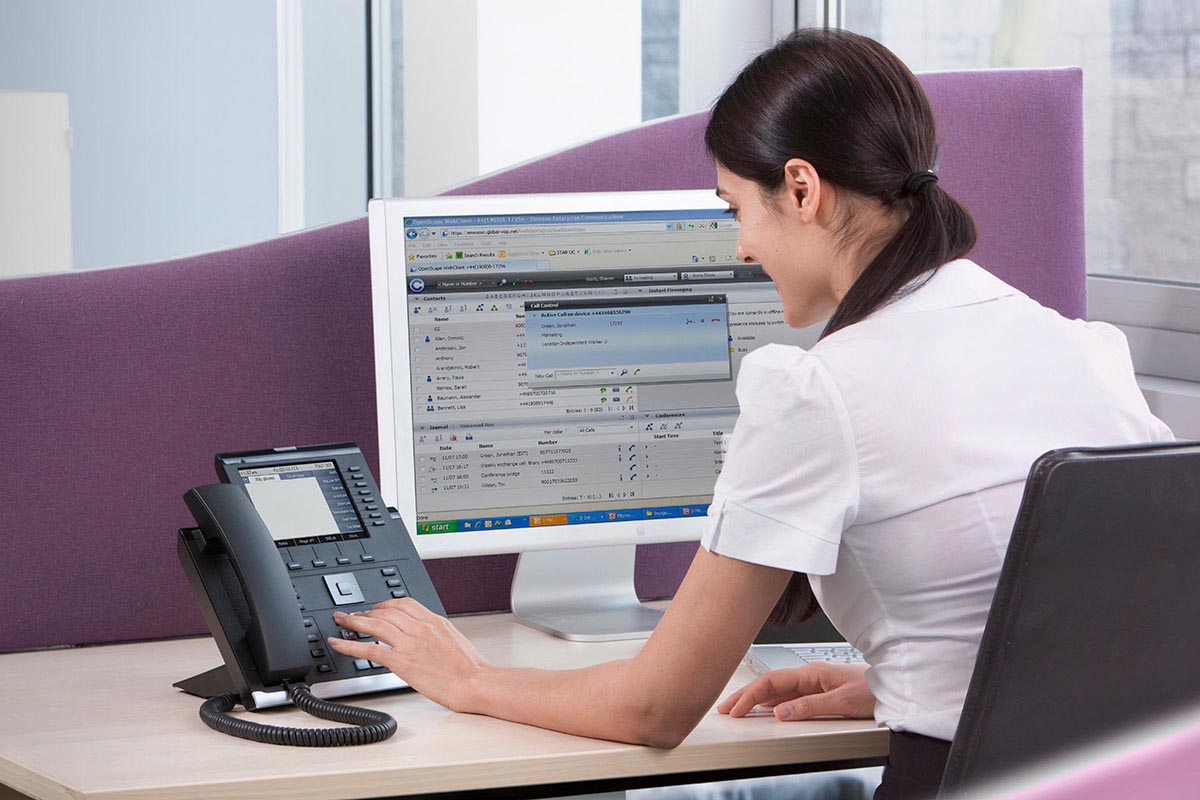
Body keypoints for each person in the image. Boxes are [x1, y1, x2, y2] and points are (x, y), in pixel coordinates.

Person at [329, 29, 1174, 799]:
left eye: (737, 208)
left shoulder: (822, 390)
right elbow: (1115, 627)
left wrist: (469, 678)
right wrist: (911, 685)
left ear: (801, 189)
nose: (740, 246)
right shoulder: (1080, 349)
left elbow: (656, 709)